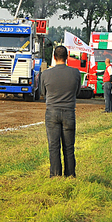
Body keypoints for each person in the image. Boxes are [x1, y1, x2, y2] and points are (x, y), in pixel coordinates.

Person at [40, 45, 82, 178]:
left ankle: (55, 176)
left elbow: (43, 93)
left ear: (54, 57)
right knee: (69, 147)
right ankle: (70, 176)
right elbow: (77, 92)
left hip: (52, 112)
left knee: (54, 146)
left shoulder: (45, 73)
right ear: (67, 56)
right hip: (69, 112)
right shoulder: (76, 73)